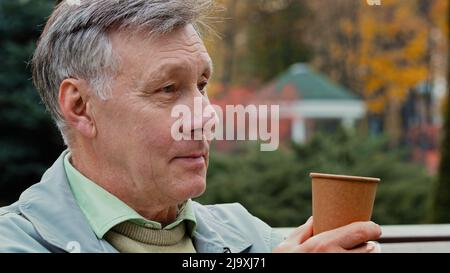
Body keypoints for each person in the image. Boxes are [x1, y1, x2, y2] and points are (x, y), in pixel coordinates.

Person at [0, 0, 381, 253]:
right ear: (80, 107)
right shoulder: (16, 241)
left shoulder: (249, 237)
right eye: (168, 89)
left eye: (201, 85)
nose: (205, 117)